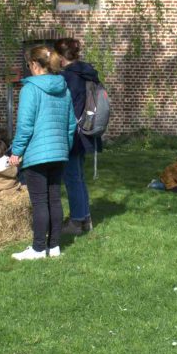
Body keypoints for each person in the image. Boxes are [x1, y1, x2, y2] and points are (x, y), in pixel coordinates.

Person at [8, 44, 75, 261]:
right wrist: (65, 146)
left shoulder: (30, 89)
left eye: (29, 65)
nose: (29, 69)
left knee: (39, 202)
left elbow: (25, 125)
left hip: (37, 154)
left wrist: (16, 151)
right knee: (54, 200)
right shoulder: (64, 88)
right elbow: (71, 124)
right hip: (59, 152)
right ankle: (54, 247)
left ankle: (38, 249)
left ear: (35, 65)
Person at [54, 38, 100, 235]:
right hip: (86, 132)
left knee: (72, 178)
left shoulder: (69, 77)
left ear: (60, 56)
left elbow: (68, 109)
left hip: (73, 134)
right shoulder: (86, 72)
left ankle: (76, 222)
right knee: (78, 177)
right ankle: (85, 218)